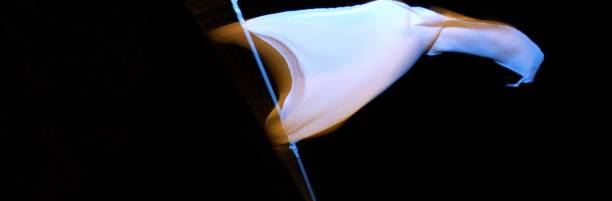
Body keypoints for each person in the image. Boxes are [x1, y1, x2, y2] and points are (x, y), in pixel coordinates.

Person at [202, 0, 545, 144]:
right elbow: (460, 26)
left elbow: (459, 25)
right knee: (353, 64)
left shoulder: (434, 30)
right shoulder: (418, 31)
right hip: (402, 26)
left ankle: (292, 117)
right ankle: (293, 118)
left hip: (401, 22)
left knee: (348, 52)